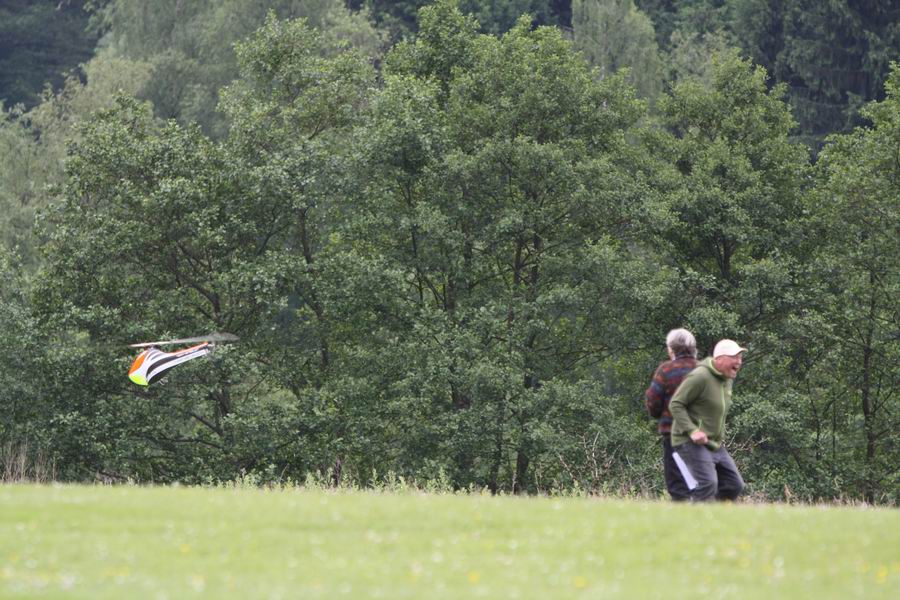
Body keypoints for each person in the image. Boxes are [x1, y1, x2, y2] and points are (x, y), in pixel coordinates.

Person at [669, 339, 747, 501]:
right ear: (720, 359)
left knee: (734, 485)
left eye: (740, 358)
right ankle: (691, 515)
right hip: (688, 441)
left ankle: (713, 513)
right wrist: (693, 431)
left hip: (713, 443)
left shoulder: (727, 380)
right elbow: (676, 404)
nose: (739, 362)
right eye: (735, 357)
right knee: (708, 484)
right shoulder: (700, 376)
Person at [645, 328, 698, 501]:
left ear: (671, 349)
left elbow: (653, 402)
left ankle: (683, 515)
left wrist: (659, 414)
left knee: (678, 487)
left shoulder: (666, 371)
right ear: (693, 348)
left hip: (674, 437)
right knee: (703, 483)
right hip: (703, 435)